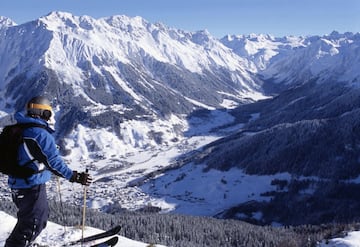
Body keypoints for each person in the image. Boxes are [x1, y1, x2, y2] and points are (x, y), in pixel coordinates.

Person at [5, 96, 92, 247]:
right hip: (31, 187)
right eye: (49, 113)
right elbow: (54, 162)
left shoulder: (19, 128)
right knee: (34, 223)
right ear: (44, 113)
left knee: (29, 221)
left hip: (18, 185)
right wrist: (75, 176)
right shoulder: (39, 134)